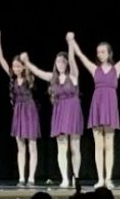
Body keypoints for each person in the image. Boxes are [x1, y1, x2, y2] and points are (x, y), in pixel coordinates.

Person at [67, 20, 120, 189]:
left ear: (109, 53)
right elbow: (80, 56)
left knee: (109, 144)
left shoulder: (117, 68)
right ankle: (100, 178)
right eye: (98, 52)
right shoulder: (94, 69)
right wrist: (71, 41)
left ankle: (108, 178)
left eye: (103, 52)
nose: (100, 54)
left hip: (110, 106)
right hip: (98, 106)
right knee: (98, 145)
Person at [21, 49, 82, 188]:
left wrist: (71, 45)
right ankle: (65, 178)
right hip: (59, 112)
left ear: (67, 63)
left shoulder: (73, 76)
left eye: (63, 61)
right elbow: (37, 72)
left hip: (73, 111)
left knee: (74, 147)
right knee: (61, 147)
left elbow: (73, 61)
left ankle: (76, 177)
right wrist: (26, 62)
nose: (60, 64)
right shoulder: (52, 77)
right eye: (58, 61)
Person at [0, 30, 42, 185]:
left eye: (18, 66)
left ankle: (31, 177)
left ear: (23, 67)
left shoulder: (29, 77)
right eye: (13, 66)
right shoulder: (12, 78)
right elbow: (0, 58)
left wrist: (26, 61)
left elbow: (31, 71)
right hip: (18, 112)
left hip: (29, 111)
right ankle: (22, 177)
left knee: (32, 145)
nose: (15, 68)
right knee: (20, 146)